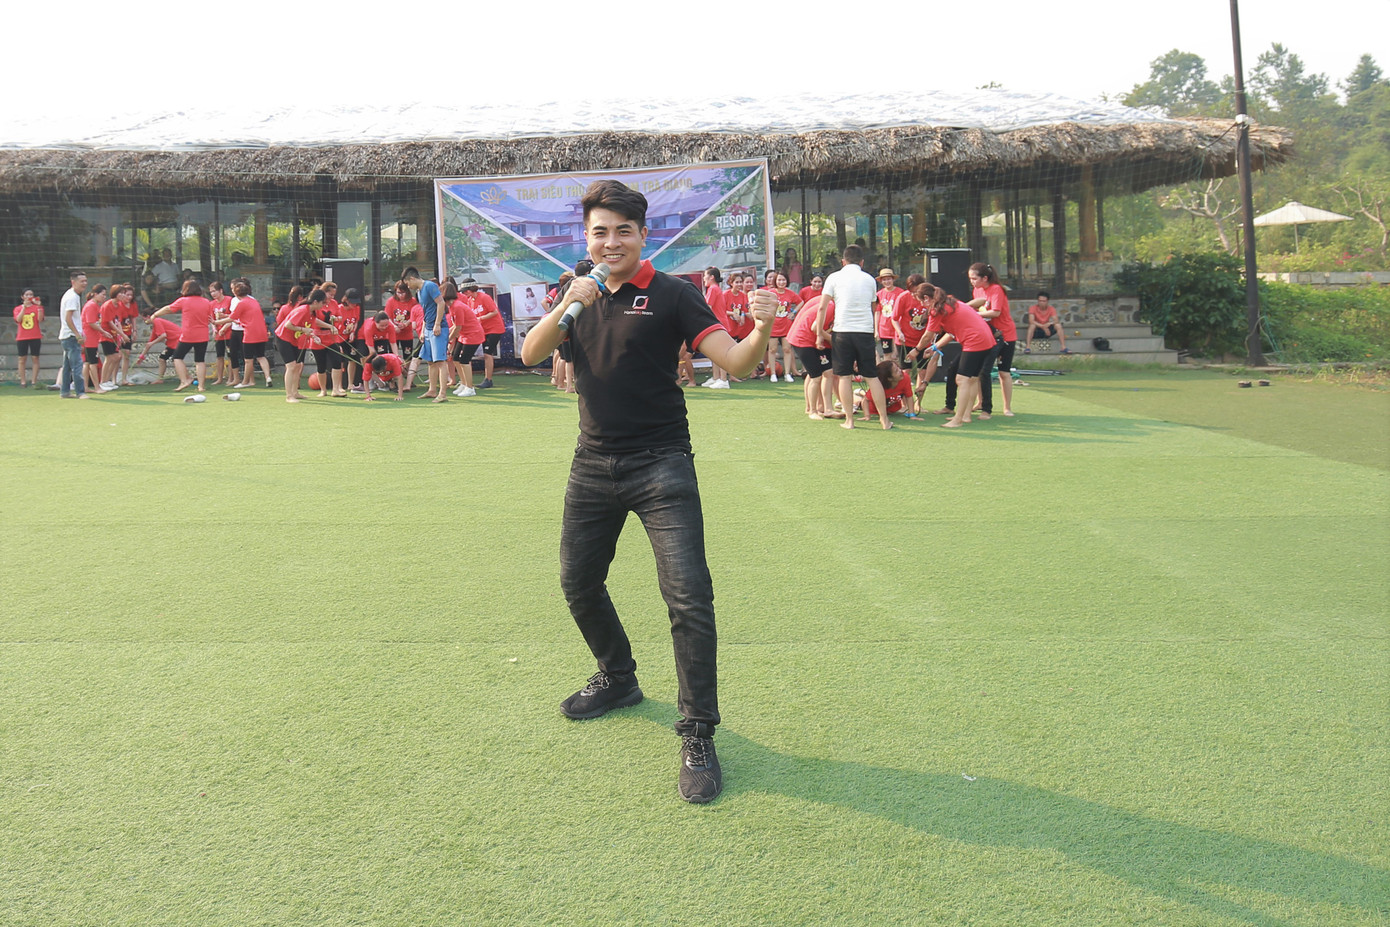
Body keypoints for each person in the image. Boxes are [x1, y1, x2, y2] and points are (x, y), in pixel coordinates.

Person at [518, 179, 778, 804]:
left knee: (688, 598)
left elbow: (736, 362)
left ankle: (698, 732)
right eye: (599, 232)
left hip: (662, 465)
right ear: (586, 238)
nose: (611, 243)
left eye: (623, 231)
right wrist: (567, 303)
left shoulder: (673, 294)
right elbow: (529, 354)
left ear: (642, 235)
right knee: (578, 582)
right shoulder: (576, 294)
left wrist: (764, 327)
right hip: (592, 464)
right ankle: (618, 677)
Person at [909, 283, 999, 429]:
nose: (921, 305)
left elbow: (927, 336)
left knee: (962, 379)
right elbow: (951, 333)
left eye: (921, 301)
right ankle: (965, 415)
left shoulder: (936, 310)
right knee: (972, 379)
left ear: (926, 298)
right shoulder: (950, 302)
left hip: (975, 341)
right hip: (987, 339)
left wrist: (916, 350)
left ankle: (958, 419)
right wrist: (934, 347)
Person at [822, 245, 891, 430]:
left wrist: (819, 332)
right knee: (872, 377)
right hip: (864, 332)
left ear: (843, 261)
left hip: (842, 332)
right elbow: (873, 307)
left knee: (844, 377)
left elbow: (822, 307)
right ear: (862, 262)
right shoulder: (869, 279)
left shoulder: (834, 277)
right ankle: (884, 421)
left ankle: (849, 421)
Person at [968, 262, 1016, 417]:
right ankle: (981, 402)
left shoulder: (996, 289)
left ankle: (1007, 407)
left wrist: (973, 314)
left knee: (1004, 372)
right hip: (988, 335)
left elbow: (995, 312)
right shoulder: (977, 291)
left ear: (985, 278)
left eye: (974, 278)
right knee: (981, 370)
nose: (972, 282)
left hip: (1006, 335)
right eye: (970, 279)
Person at [151, 279, 213, 393]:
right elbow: (210, 318)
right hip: (203, 334)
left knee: (177, 357)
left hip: (188, 334)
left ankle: (185, 380)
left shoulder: (184, 300)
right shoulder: (206, 302)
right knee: (200, 360)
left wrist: (155, 314)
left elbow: (169, 309)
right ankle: (201, 386)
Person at [786, 291, 840, 420]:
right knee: (815, 376)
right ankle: (812, 410)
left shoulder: (825, 301)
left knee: (827, 372)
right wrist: (834, 341)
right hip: (803, 340)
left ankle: (825, 408)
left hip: (812, 339)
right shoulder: (830, 306)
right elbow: (815, 328)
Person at [401, 268, 449, 402]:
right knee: (430, 361)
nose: (408, 287)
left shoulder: (430, 286)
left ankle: (442, 394)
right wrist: (423, 330)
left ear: (412, 279)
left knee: (440, 361)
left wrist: (437, 324)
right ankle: (432, 390)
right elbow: (426, 312)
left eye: (407, 284)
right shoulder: (419, 292)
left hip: (438, 329)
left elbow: (441, 303)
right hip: (428, 329)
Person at [224, 280, 272, 388]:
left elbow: (232, 317)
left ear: (236, 292)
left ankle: (245, 382)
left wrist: (216, 322)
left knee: (248, 360)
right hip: (260, 332)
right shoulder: (253, 301)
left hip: (249, 333)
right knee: (261, 356)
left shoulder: (242, 303)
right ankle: (268, 377)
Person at [763, 270, 801, 382]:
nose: (781, 282)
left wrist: (793, 312)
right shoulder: (770, 293)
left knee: (787, 349)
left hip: (786, 325)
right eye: (779, 280)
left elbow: (800, 302)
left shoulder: (790, 293)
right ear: (775, 281)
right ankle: (773, 374)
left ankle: (787, 373)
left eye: (783, 280)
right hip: (773, 326)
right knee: (772, 349)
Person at [465, 278, 503, 389]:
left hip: (494, 328)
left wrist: (480, 318)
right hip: (483, 330)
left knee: (487, 353)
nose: (465, 293)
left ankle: (488, 379)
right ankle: (485, 379)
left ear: (471, 289)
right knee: (485, 353)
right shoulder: (470, 301)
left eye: (466, 291)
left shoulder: (484, 297)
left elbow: (494, 312)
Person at [57, 271, 89, 399]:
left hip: (67, 335)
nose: (84, 284)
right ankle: (80, 392)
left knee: (67, 366)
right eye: (82, 281)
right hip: (70, 336)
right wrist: (77, 335)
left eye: (85, 281)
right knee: (77, 365)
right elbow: (68, 318)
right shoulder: (72, 297)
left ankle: (65, 391)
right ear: (73, 282)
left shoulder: (72, 295)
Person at [701, 266, 731, 389]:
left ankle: (723, 380)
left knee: (720, 353)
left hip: (718, 324)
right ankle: (716, 377)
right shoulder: (715, 288)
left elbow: (707, 308)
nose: (704, 278)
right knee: (714, 354)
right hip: (716, 323)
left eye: (705, 276)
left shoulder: (713, 289)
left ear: (711, 277)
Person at [13, 289, 44, 388]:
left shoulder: (37, 307)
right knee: (22, 359)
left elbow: (40, 319)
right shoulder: (18, 308)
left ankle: (34, 381)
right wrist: (24, 308)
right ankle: (23, 381)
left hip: (35, 336)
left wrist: (39, 307)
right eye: (26, 295)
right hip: (22, 337)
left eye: (31, 294)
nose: (29, 296)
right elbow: (18, 320)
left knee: (35, 358)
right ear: (22, 297)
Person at [874, 268, 904, 360]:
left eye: (889, 279)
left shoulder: (900, 293)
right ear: (881, 281)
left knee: (896, 354)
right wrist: (876, 330)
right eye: (884, 280)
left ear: (893, 279)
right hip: (884, 328)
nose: (887, 282)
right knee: (886, 354)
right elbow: (877, 312)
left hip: (897, 328)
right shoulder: (879, 294)